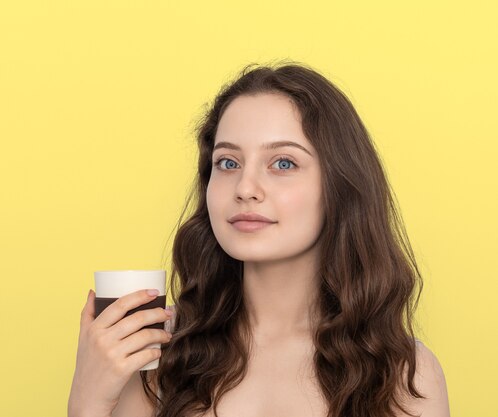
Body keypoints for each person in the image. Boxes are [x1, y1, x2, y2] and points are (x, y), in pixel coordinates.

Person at [68, 62, 450, 417]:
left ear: (339, 186)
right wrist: (88, 397)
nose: (245, 188)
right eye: (228, 163)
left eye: (283, 163)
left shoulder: (403, 375)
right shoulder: (158, 358)